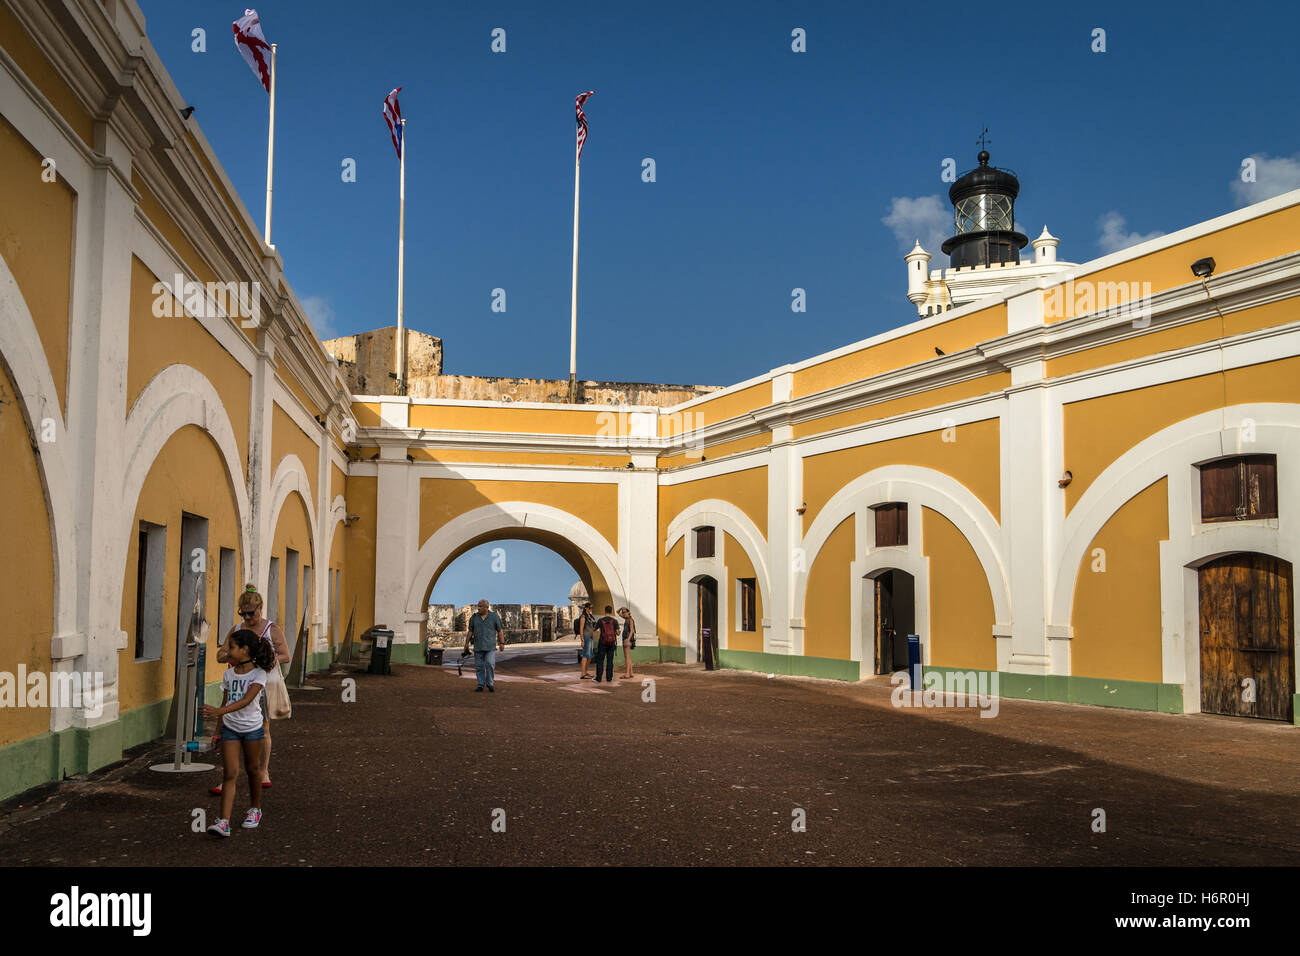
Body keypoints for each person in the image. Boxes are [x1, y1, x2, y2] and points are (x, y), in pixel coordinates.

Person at [210, 585, 289, 796]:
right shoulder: (237, 630)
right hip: (237, 683)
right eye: (242, 613)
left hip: (261, 685)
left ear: (260, 608)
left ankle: (263, 771)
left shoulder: (271, 629)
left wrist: (259, 660)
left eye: (250, 613)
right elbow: (222, 653)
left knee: (263, 728)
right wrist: (229, 657)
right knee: (231, 728)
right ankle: (227, 778)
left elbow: (285, 655)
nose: (247, 617)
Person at [200, 628, 276, 836]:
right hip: (230, 729)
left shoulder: (259, 674)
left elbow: (245, 701)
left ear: (244, 650)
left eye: (231, 647)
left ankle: (255, 808)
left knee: (253, 770)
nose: (227, 651)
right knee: (230, 773)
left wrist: (217, 712)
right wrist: (217, 731)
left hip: (252, 730)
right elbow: (227, 700)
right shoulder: (228, 674)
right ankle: (223, 821)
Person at [465, 599, 505, 692]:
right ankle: (480, 684)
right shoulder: (474, 617)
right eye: (478, 606)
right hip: (478, 646)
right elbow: (470, 631)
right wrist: (466, 643)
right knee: (479, 666)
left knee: (490, 664)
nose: (478, 608)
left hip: (490, 647)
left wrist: (502, 643)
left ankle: (490, 683)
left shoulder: (494, 617)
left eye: (480, 606)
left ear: (486, 608)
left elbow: (500, 630)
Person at [593, 605, 620, 683]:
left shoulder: (600, 620)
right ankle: (609, 678)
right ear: (611, 611)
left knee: (600, 660)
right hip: (611, 644)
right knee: (610, 661)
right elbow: (618, 633)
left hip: (602, 643)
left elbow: (594, 629)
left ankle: (598, 678)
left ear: (605, 611)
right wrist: (617, 631)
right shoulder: (614, 621)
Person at [578, 603, 596, 679]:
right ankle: (582, 674)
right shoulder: (583, 617)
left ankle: (585, 672)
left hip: (591, 638)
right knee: (585, 655)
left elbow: (593, 627)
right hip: (586, 638)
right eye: (590, 608)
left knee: (590, 656)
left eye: (591, 608)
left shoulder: (591, 617)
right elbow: (581, 629)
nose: (591, 609)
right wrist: (582, 640)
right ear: (586, 608)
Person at [618, 606, 636, 679]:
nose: (624, 614)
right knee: (627, 657)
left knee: (627, 657)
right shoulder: (626, 619)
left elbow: (632, 631)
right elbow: (617, 612)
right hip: (625, 638)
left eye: (625, 612)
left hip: (627, 639)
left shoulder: (630, 620)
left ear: (629, 613)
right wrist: (621, 608)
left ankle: (627, 673)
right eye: (623, 613)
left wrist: (628, 639)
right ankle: (631, 673)